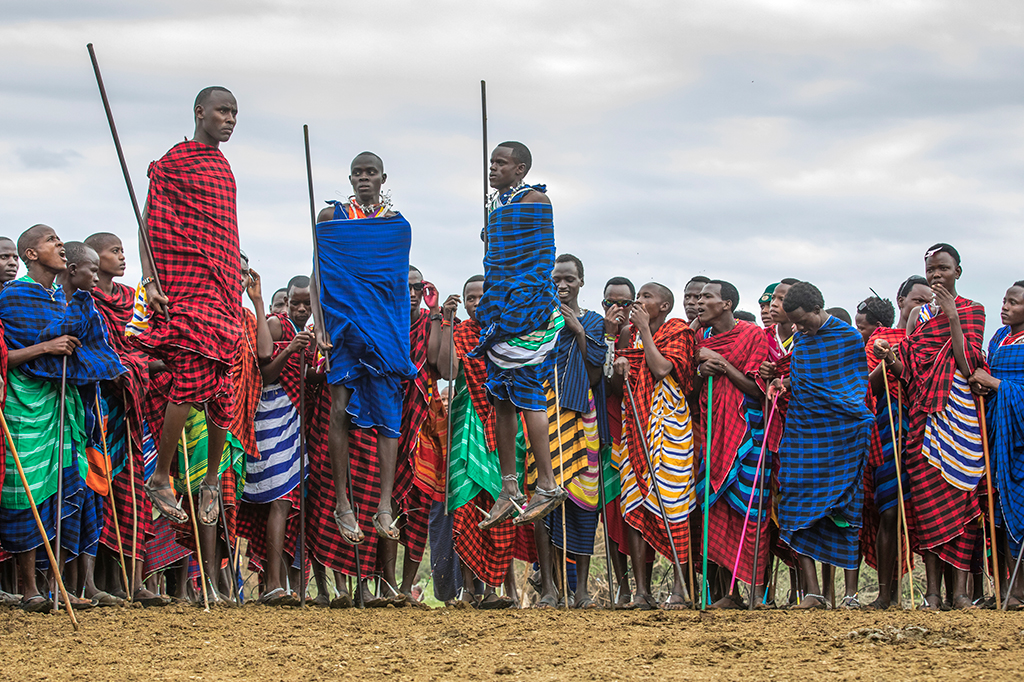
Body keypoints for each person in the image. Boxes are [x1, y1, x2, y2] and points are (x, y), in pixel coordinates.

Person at [0, 225, 123, 611]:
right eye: (51, 240)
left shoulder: (63, 300)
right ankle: (28, 588)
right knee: (27, 493)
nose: (60, 245)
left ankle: (54, 586)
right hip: (24, 406)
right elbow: (5, 356)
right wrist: (46, 346)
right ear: (31, 255)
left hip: (61, 405)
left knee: (57, 492)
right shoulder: (12, 296)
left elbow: (86, 349)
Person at [135, 86, 242, 529]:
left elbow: (223, 228)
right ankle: (161, 474)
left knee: (225, 380)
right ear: (201, 113)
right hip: (185, 283)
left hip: (223, 285)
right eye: (222, 110)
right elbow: (149, 224)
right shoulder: (174, 164)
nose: (230, 119)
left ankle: (212, 479)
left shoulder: (223, 167)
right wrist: (150, 279)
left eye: (235, 113)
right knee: (193, 368)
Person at [312, 151, 416, 547]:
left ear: (383, 178)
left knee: (390, 415)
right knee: (340, 409)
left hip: (386, 329)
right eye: (357, 173)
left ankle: (384, 505)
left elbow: (394, 285)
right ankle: (343, 504)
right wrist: (320, 326)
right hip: (342, 330)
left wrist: (395, 333)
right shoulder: (331, 218)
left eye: (370, 172)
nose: (363, 178)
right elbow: (319, 271)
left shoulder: (396, 225)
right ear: (350, 178)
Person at [876, 243, 986, 611]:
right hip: (923, 415)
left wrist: (952, 315)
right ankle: (933, 594)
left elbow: (968, 363)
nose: (936, 275)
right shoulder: (916, 317)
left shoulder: (973, 310)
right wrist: (891, 359)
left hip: (960, 415)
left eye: (943, 268)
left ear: (958, 271)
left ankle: (960, 594)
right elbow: (908, 373)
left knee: (961, 498)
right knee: (926, 506)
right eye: (931, 270)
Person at [472, 142, 567, 529]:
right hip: (499, 307)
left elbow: (525, 252)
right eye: (490, 162)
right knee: (502, 398)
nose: (492, 168)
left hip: (525, 307)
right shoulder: (497, 206)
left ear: (521, 168)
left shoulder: (535, 201)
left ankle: (546, 483)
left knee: (527, 394)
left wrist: (494, 225)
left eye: (501, 163)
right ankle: (509, 487)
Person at [775, 281, 872, 610]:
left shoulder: (847, 338)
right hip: (804, 436)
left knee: (846, 512)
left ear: (819, 309)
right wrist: (782, 383)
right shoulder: (802, 340)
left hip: (843, 438)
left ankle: (851, 595)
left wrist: (854, 420)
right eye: (795, 324)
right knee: (793, 505)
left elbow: (852, 388)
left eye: (803, 321)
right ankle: (813, 593)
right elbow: (804, 380)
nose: (800, 328)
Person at [85, 231, 164, 605]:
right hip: (99, 403)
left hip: (133, 407)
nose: (121, 256)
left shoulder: (134, 299)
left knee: (131, 493)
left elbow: (142, 343)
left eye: (122, 250)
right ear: (93, 258)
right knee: (98, 490)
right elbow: (95, 350)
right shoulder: (87, 301)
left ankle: (131, 581)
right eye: (113, 251)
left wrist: (150, 362)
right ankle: (95, 582)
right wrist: (130, 365)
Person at [529, 253, 609, 608]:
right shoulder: (537, 321)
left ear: (581, 282)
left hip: (580, 417)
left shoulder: (593, 321)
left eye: (569, 280)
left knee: (584, 500)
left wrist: (576, 329)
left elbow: (595, 369)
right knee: (543, 497)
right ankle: (549, 587)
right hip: (543, 415)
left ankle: (580, 591)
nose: (562, 286)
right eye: (556, 280)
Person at [612, 282, 696, 610]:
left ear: (664, 306)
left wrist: (645, 331)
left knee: (675, 505)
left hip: (669, 426)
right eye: (639, 296)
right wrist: (620, 361)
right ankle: (641, 592)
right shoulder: (628, 336)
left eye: (647, 297)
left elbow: (662, 369)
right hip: (635, 427)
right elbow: (619, 386)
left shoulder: (679, 332)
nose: (639, 301)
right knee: (633, 504)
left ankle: (679, 588)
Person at [439, 275, 521, 608]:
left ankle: (493, 588)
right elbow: (449, 369)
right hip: (466, 422)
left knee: (499, 503)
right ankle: (469, 589)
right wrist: (446, 324)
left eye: (482, 296)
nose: (476, 303)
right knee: (465, 505)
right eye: (470, 298)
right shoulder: (460, 333)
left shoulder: (506, 333)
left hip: (503, 425)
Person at [693, 280, 770, 608]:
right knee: (716, 511)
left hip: (748, 436)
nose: (699, 302)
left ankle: (754, 593)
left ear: (727, 304)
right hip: (711, 435)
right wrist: (701, 369)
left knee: (751, 512)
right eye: (697, 297)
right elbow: (689, 386)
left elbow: (757, 389)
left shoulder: (753, 335)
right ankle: (729, 594)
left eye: (706, 297)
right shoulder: (700, 338)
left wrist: (722, 365)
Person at [240, 271, 310, 607]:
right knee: (279, 501)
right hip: (270, 419)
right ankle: (272, 584)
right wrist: (292, 349)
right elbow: (264, 368)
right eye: (295, 302)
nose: (299, 308)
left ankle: (281, 583)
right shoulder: (277, 324)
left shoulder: (307, 332)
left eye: (306, 304)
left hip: (293, 423)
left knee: (288, 502)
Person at [378, 265, 441, 604]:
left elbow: (436, 361)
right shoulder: (385, 320)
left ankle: (405, 587)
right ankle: (387, 584)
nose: (413, 292)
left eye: (419, 286)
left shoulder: (430, 323)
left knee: (417, 503)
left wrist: (434, 316)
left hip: (422, 424)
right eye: (406, 287)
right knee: (387, 501)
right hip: (388, 419)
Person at [970, 280, 1024, 610]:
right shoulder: (999, 339)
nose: (1005, 306)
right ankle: (1006, 590)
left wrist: (994, 383)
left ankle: (1020, 591)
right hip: (996, 434)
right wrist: (983, 386)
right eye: (1005, 301)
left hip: (1019, 441)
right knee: (999, 515)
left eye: (1014, 302)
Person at [600, 276, 640, 607]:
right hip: (607, 428)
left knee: (637, 507)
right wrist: (611, 339)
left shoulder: (645, 335)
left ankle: (643, 586)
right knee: (612, 508)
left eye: (625, 304)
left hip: (642, 429)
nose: (618, 309)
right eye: (610, 304)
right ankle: (623, 586)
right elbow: (607, 384)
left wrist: (624, 338)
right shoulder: (597, 334)